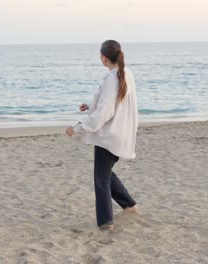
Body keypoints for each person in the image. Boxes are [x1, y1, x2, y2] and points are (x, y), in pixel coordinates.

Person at [66, 40, 139, 231]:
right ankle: (129, 205)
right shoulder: (124, 74)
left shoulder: (114, 78)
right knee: (105, 173)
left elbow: (106, 110)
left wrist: (79, 126)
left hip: (109, 135)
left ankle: (106, 222)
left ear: (103, 57)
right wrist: (90, 105)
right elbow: (112, 102)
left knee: (101, 178)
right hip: (120, 132)